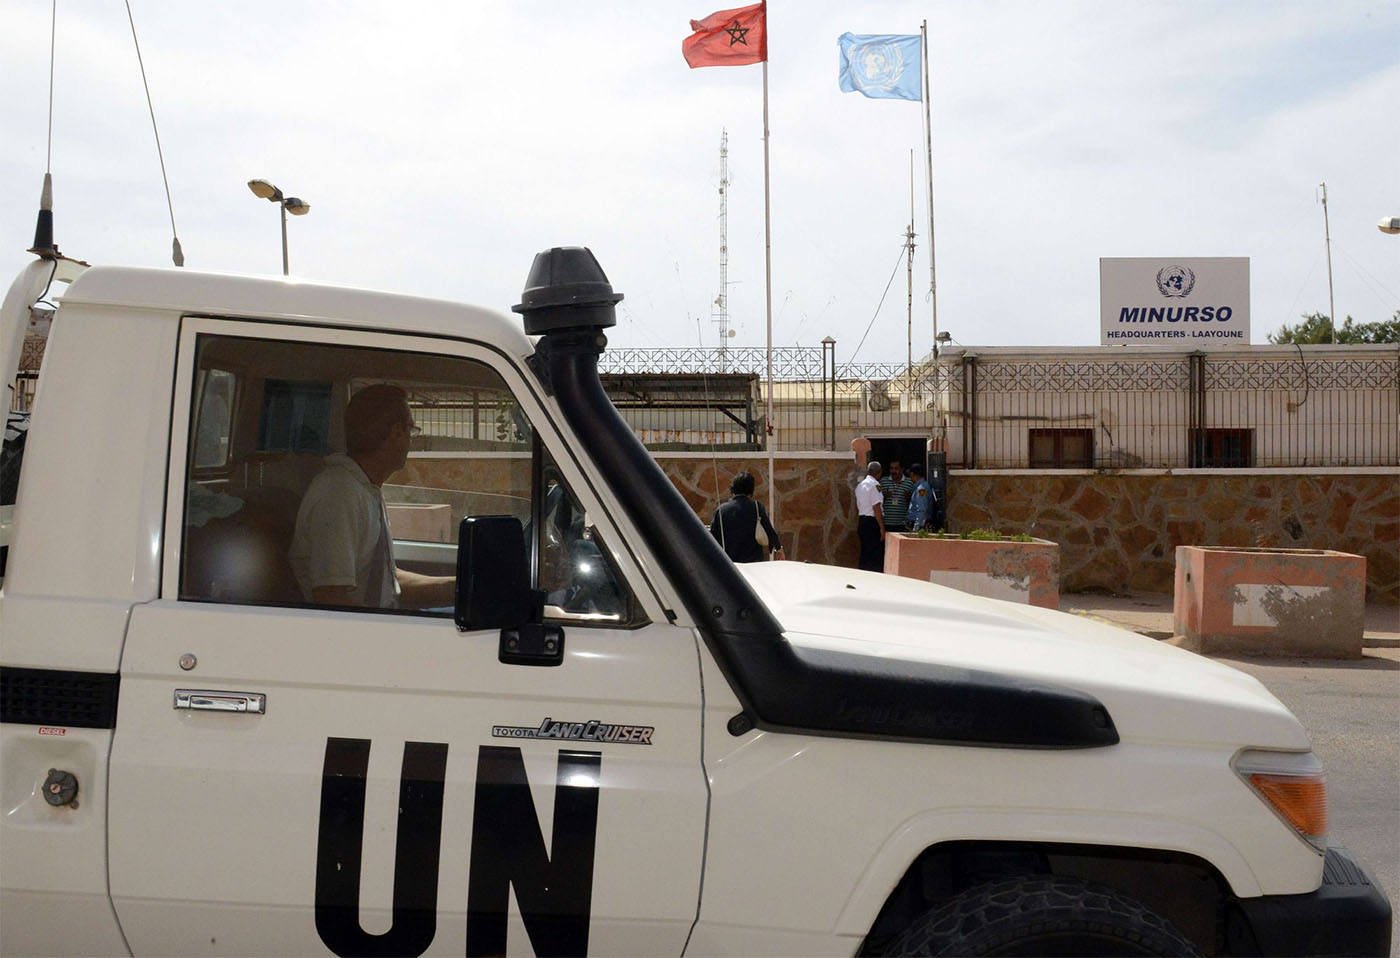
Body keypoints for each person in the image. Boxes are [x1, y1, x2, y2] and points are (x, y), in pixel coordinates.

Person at [289, 384, 454, 609]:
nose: (411, 440)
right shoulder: (339, 495)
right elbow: (331, 597)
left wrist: (459, 588)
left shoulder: (365, 489)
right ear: (397, 432)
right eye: (412, 430)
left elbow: (387, 583)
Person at [709, 471, 784, 563]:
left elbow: (712, 536)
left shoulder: (721, 510)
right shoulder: (757, 507)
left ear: (733, 489)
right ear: (751, 490)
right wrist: (779, 549)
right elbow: (769, 530)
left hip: (730, 563)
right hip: (753, 562)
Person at [855, 460, 885, 572]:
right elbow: (876, 507)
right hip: (872, 522)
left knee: (865, 552)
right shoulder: (875, 485)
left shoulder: (860, 485)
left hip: (862, 520)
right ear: (879, 472)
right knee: (875, 554)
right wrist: (882, 527)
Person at [879, 458, 915, 533]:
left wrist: (908, 497)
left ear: (902, 469)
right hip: (886, 523)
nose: (893, 471)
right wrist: (885, 496)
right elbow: (876, 502)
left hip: (902, 523)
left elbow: (915, 504)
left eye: (896, 468)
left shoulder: (909, 482)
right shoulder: (883, 481)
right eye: (891, 468)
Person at [906, 462, 932, 532]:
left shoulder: (921, 488)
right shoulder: (921, 486)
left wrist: (916, 528)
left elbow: (922, 509)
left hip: (918, 524)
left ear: (912, 474)